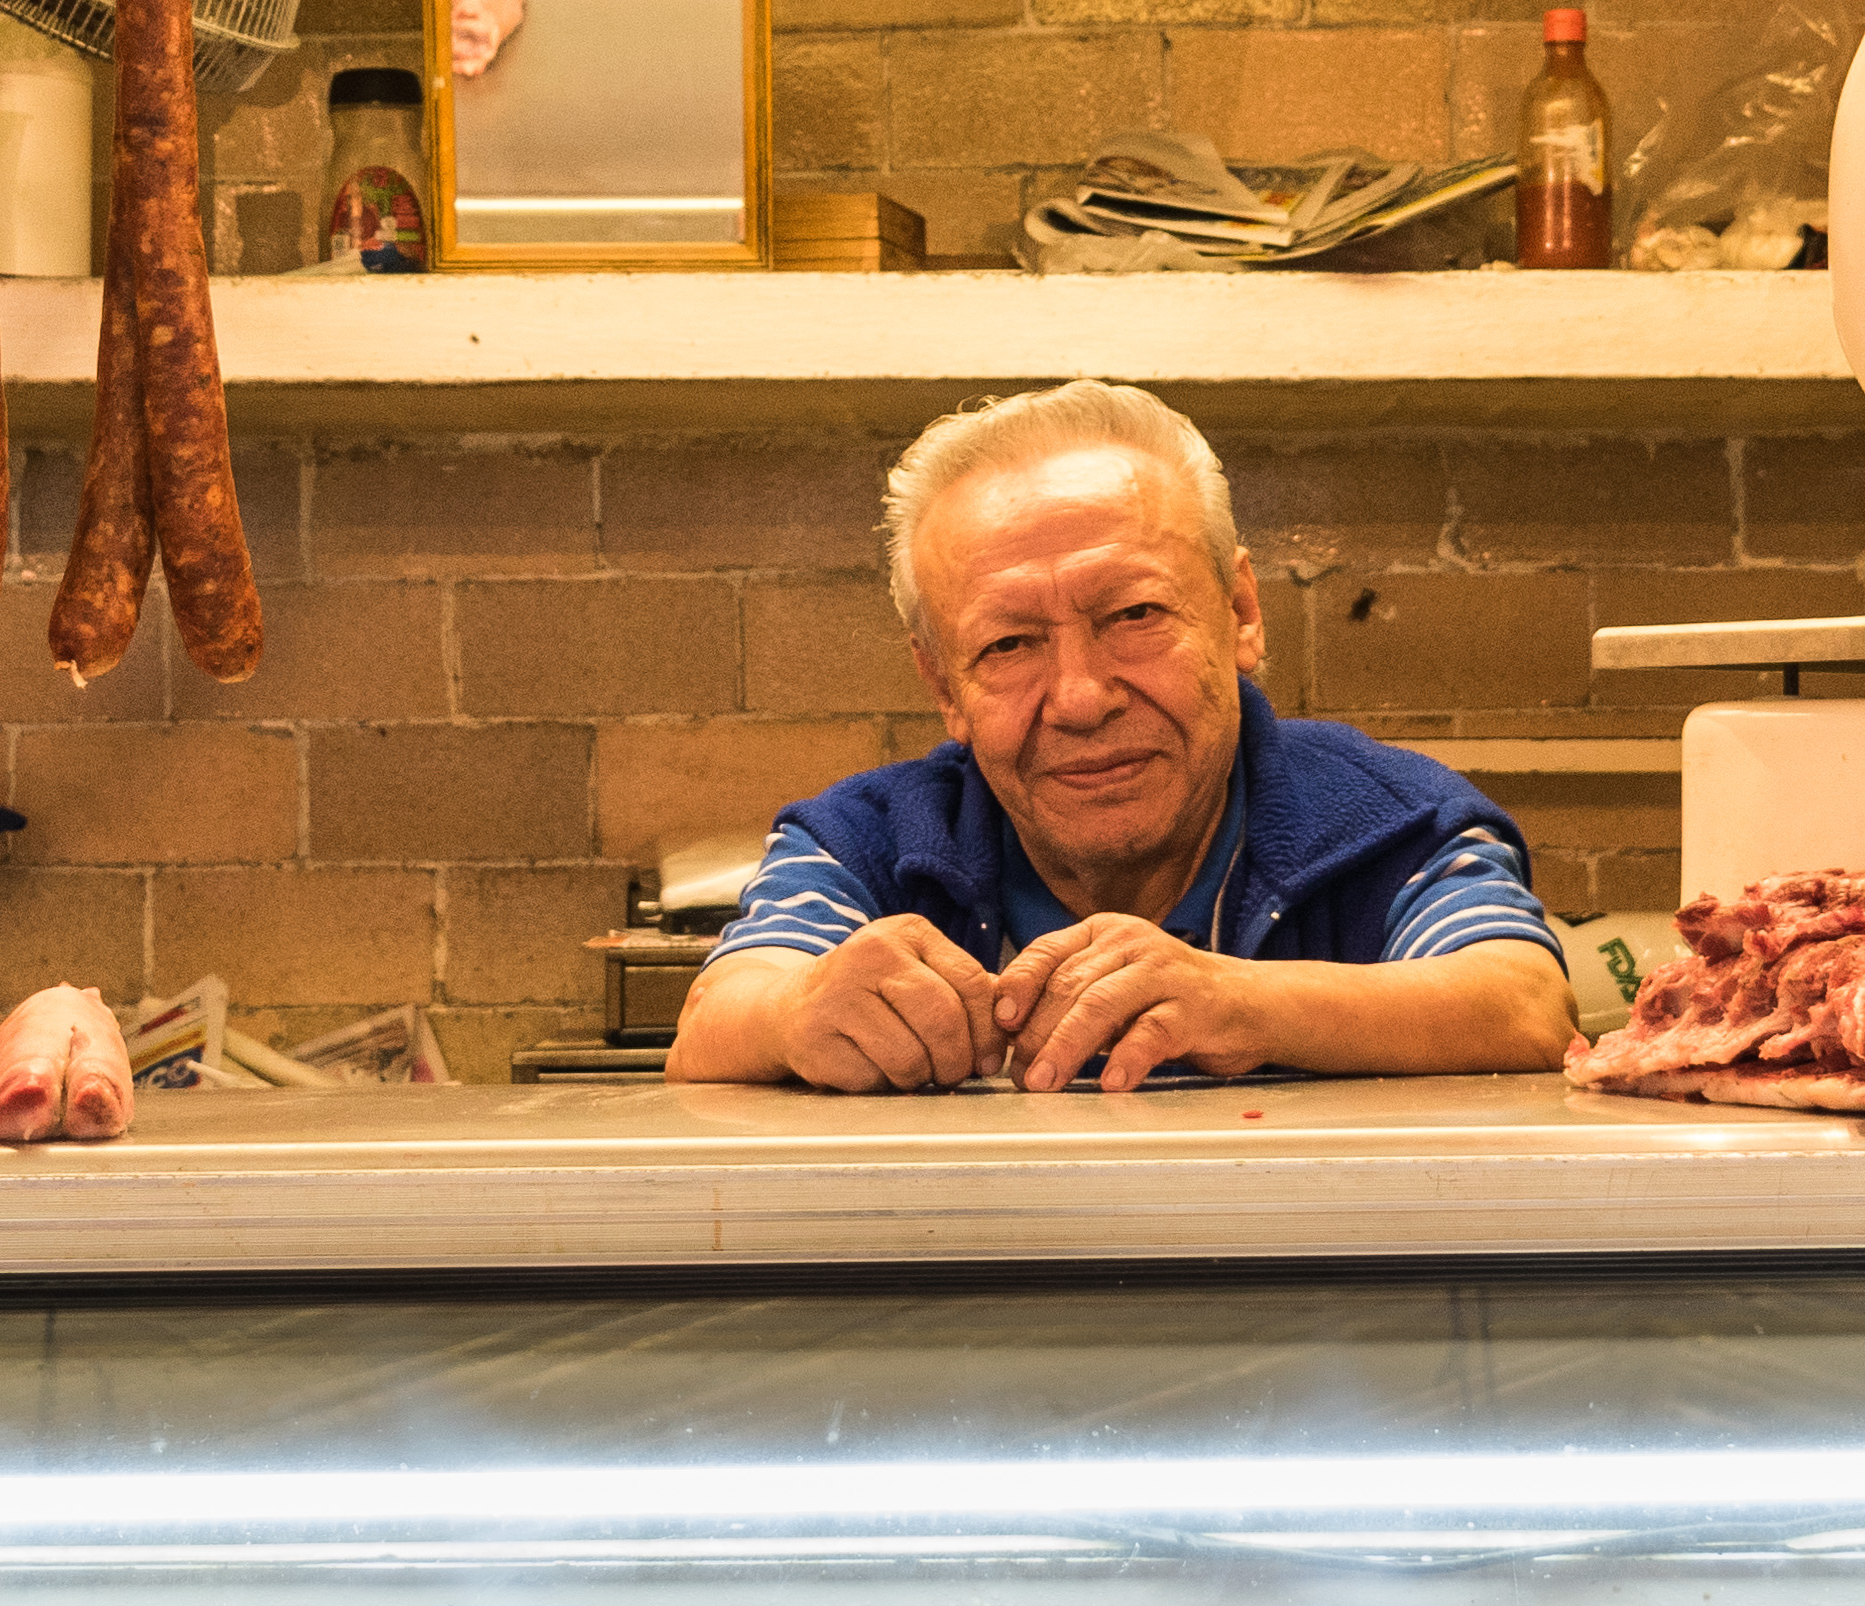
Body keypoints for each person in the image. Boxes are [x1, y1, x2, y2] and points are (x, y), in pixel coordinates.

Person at [667, 379, 1579, 1094]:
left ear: (1240, 611)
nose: (1079, 697)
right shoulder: (868, 843)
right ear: (942, 684)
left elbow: (1524, 1004)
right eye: (1009, 644)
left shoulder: (1387, 822)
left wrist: (1234, 1000)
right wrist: (798, 1011)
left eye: (1134, 614)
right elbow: (715, 1019)